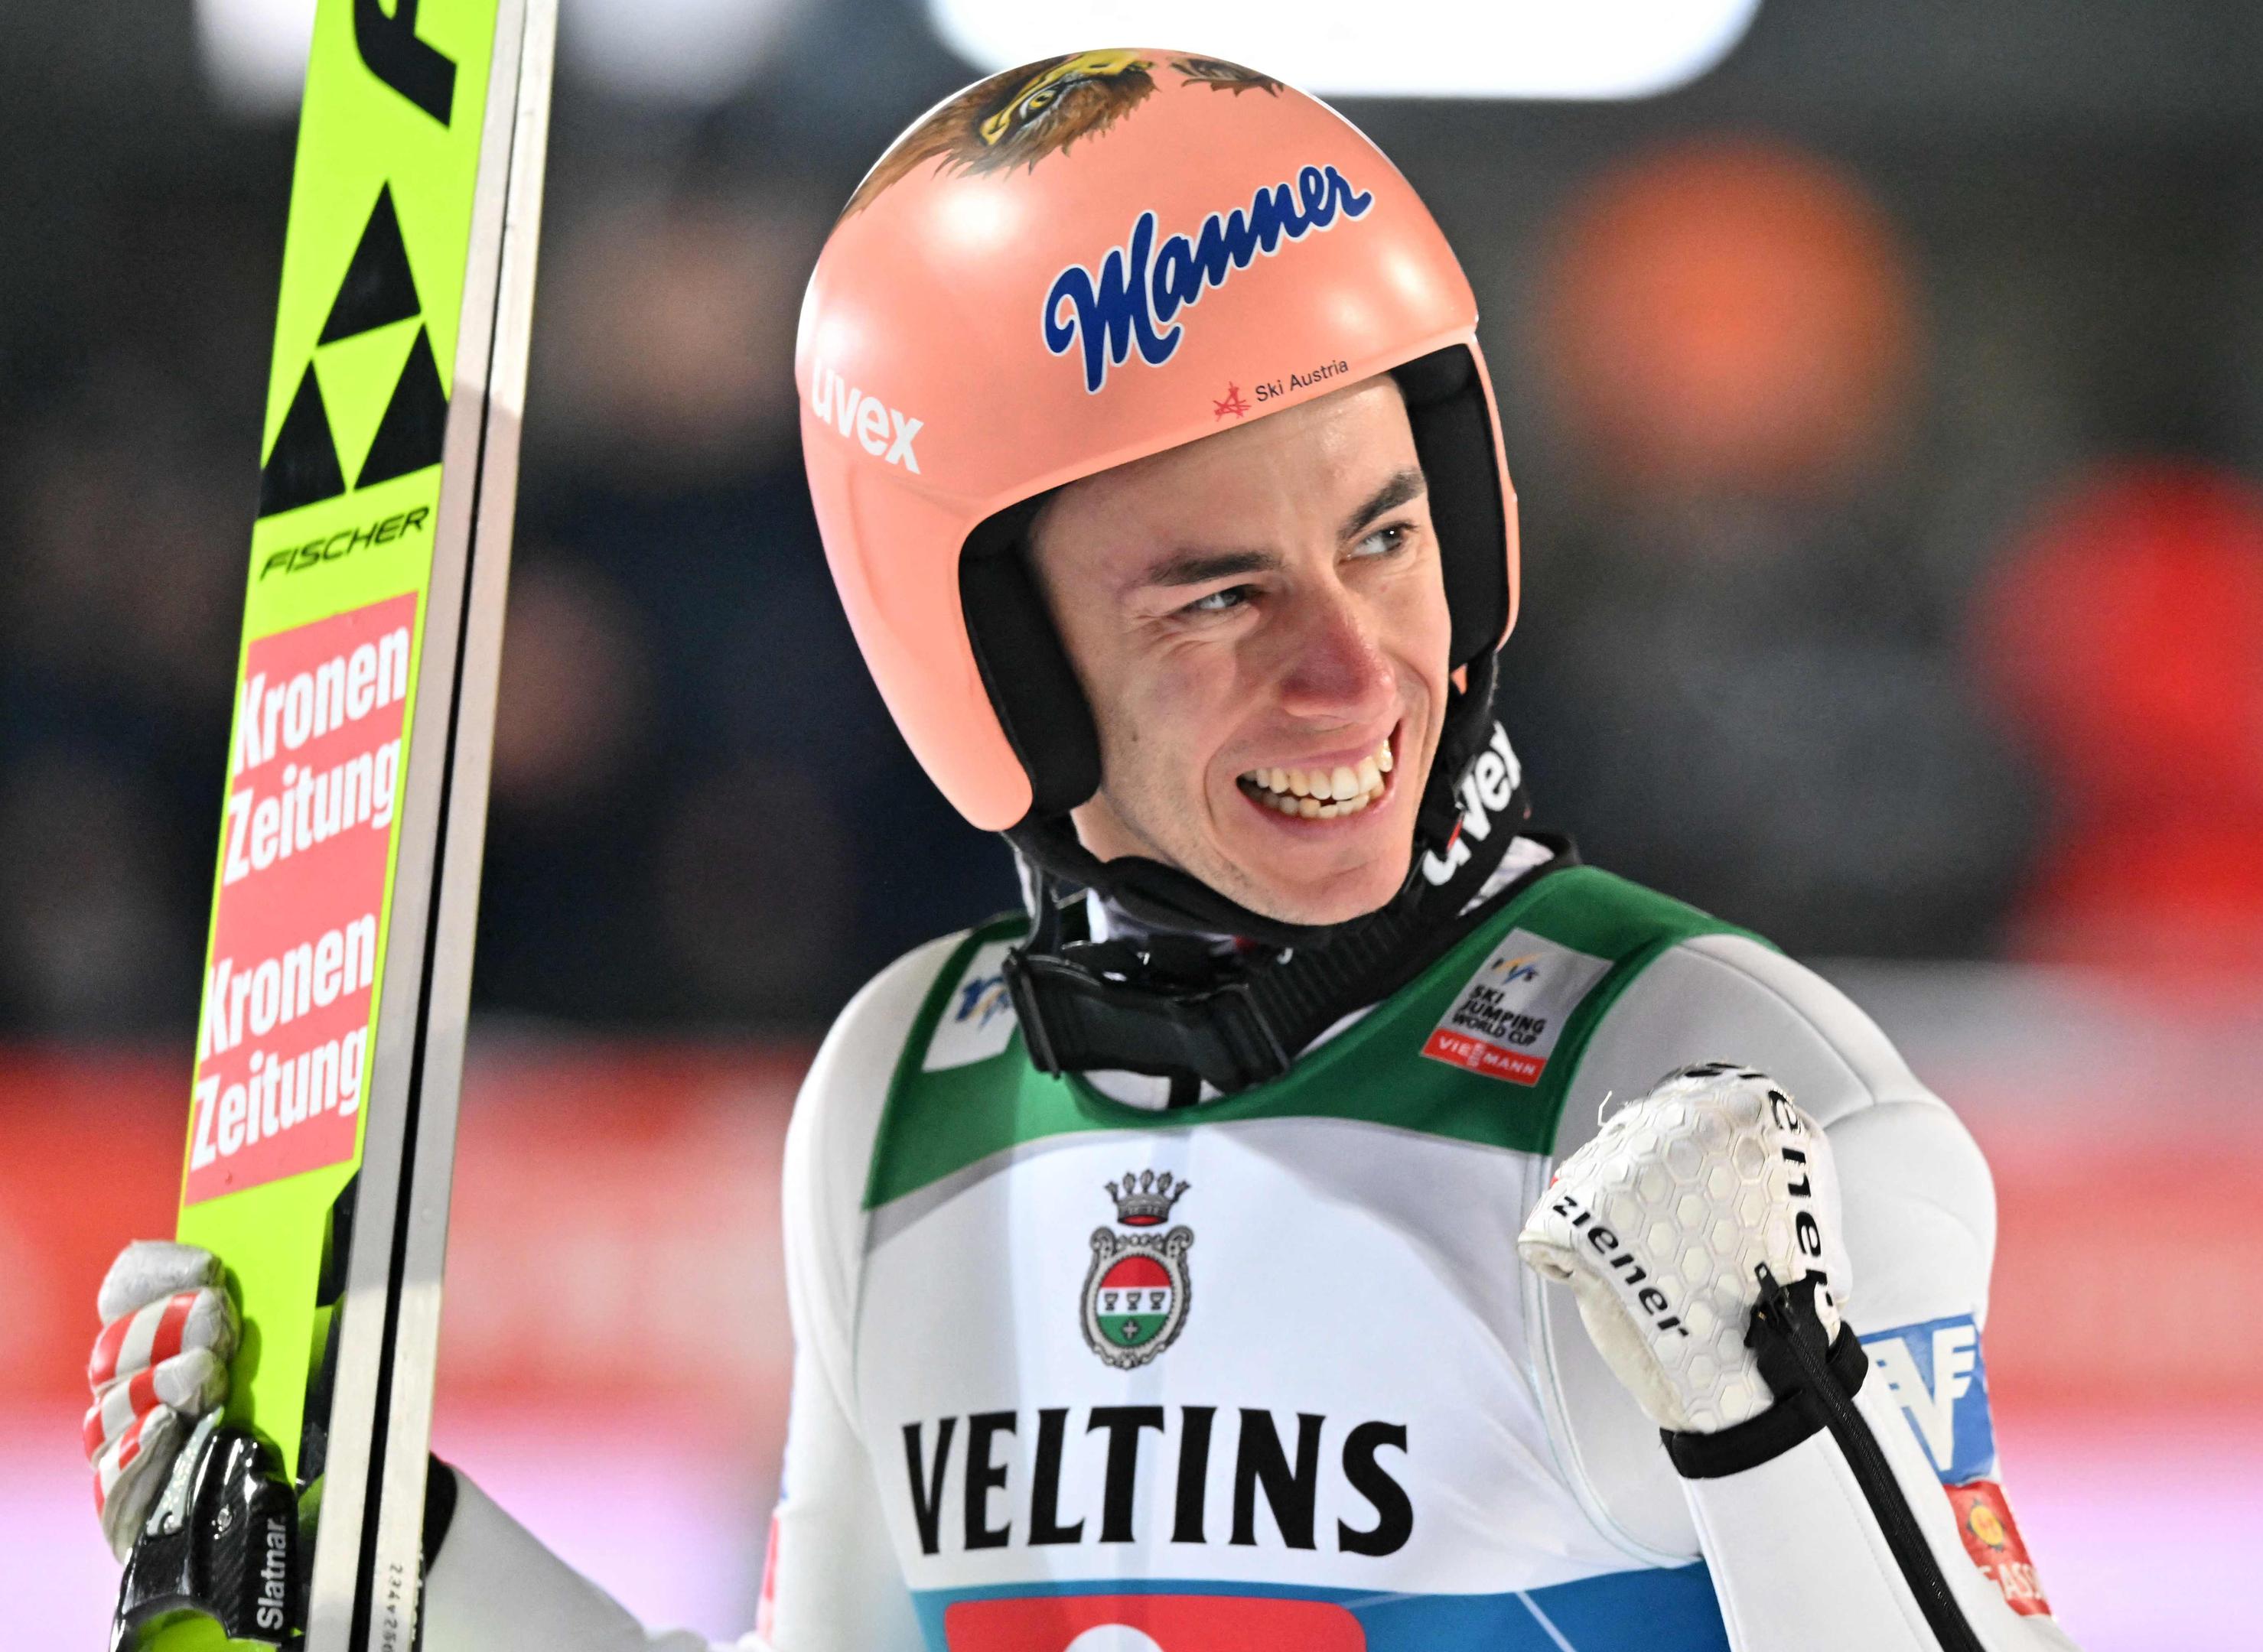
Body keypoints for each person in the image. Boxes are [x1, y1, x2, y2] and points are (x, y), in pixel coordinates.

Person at [86, 50, 2078, 1652]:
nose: (1348, 674)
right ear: (991, 666)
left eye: (1384, 537)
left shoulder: (1720, 1097)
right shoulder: (901, 1098)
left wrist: (1780, 1412)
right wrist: (396, 1576)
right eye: (1212, 598)